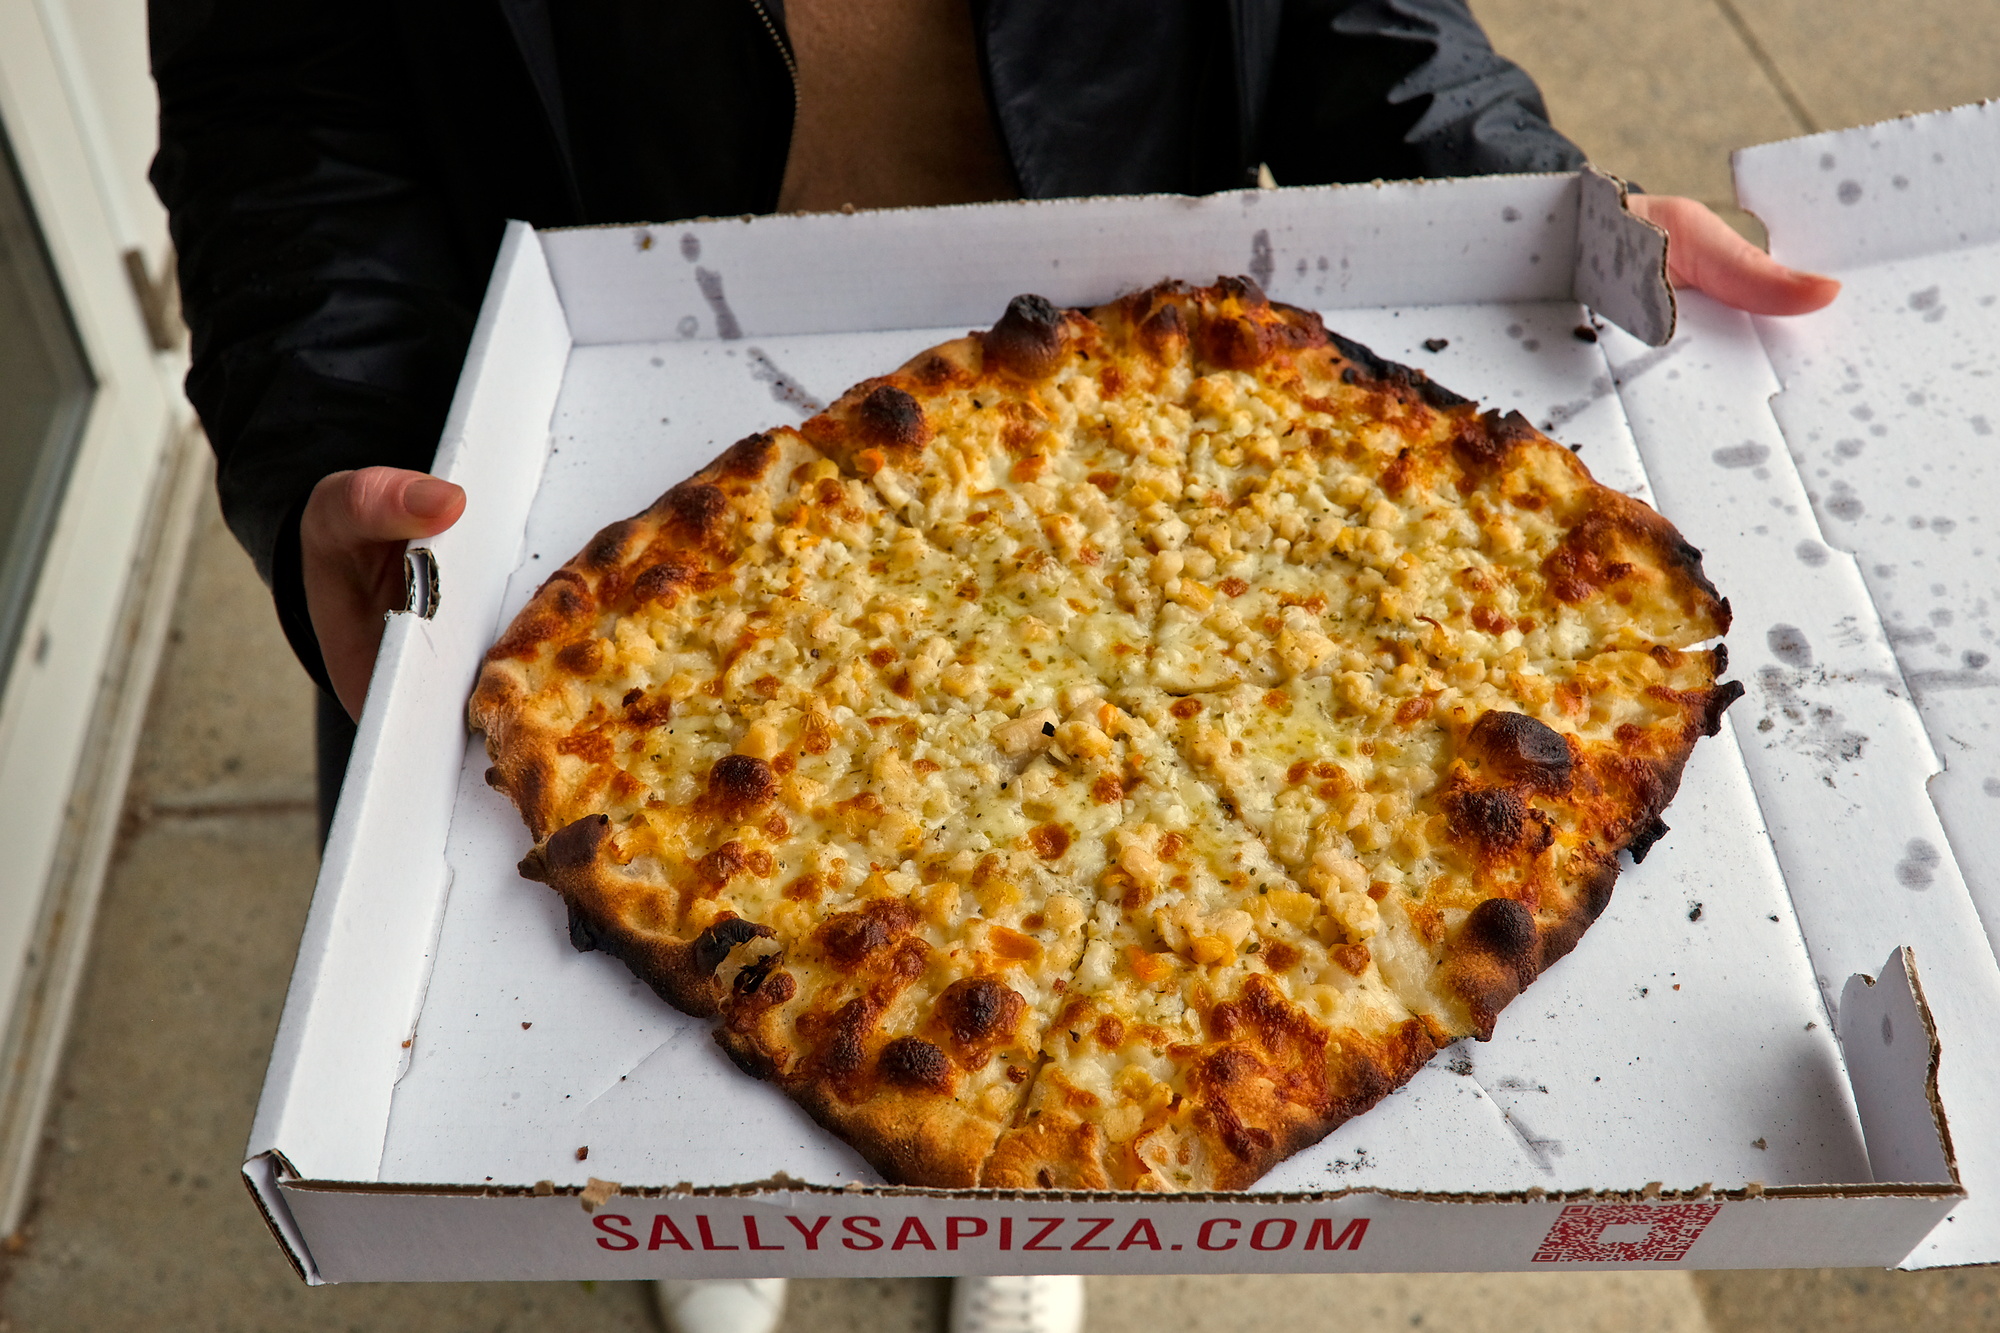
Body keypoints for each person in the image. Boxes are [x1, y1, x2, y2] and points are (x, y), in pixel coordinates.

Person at [148, 3, 1839, 1331]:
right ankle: (742, 1232)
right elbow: (280, 130)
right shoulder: (602, 684)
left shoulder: (1591, 612)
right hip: (608, 458)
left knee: (1059, 1132)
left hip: (1141, 409)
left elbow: (1359, 17)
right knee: (712, 1112)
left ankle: (1029, 1207)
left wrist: (1539, 204)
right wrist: (343, 446)